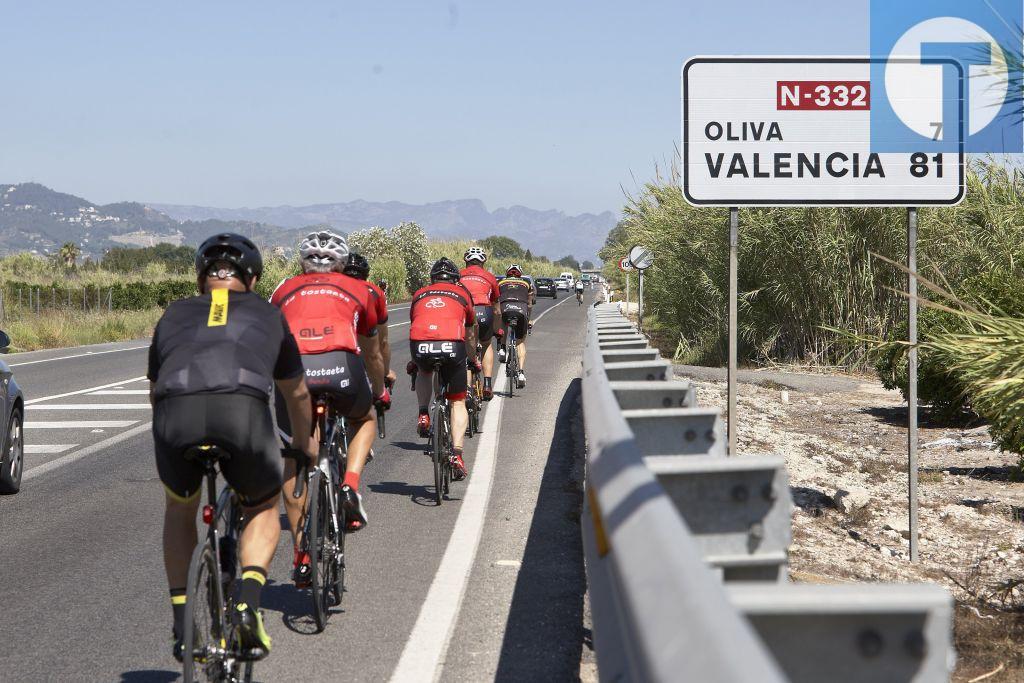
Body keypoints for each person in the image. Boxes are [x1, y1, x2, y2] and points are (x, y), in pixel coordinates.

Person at [148, 233, 316, 661]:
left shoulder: (172, 314)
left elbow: (155, 389)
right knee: (262, 505)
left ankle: (183, 620)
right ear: (253, 278)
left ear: (201, 278)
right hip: (241, 412)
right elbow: (295, 394)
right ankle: (246, 605)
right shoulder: (268, 314)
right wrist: (302, 443)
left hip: (175, 413)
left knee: (180, 508)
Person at [270, 230, 386, 587]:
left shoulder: (283, 288)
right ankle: (350, 485)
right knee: (364, 419)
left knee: (296, 455)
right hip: (342, 368)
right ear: (342, 263)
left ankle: (301, 556)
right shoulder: (359, 289)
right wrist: (378, 392)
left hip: (296, 372)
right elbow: (372, 352)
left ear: (301, 262)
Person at [408, 257, 479, 480]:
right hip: (452, 345)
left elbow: (416, 323)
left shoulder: (420, 293)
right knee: (458, 401)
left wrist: (415, 360)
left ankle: (423, 414)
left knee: (423, 371)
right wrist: (473, 359)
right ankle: (457, 454)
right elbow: (469, 335)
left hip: (420, 343)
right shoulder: (463, 294)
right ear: (456, 279)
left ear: (433, 279)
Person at [343, 252, 398, 389]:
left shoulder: (330, 287)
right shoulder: (374, 291)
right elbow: (383, 341)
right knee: (367, 402)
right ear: (365, 274)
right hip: (361, 350)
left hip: (326, 352)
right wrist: (385, 372)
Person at [459, 246, 501, 400]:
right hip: (485, 310)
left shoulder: (458, 275)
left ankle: (468, 390)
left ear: (466, 261)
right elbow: (497, 310)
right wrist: (497, 329)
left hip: (465, 311)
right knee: (486, 344)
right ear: (483, 262)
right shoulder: (490, 277)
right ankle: (488, 384)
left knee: (465, 349)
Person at [497, 264, 532, 388]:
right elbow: (530, 305)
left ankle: (502, 348)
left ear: (507, 273)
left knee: (502, 322)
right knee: (520, 342)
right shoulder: (527, 283)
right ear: (520, 274)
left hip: (505, 308)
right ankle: (521, 373)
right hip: (521, 310)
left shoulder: (500, 282)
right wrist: (529, 320)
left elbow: (495, 300)